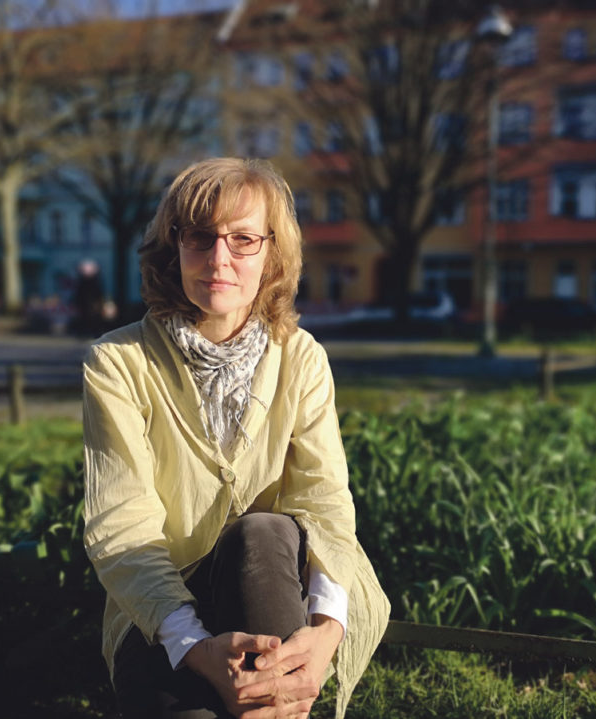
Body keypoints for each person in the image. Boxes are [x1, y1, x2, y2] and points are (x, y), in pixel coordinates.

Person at [82, 157, 389, 719]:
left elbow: (323, 505)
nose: (219, 259)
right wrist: (197, 649)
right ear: (173, 248)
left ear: (272, 252)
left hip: (271, 590)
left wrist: (322, 638)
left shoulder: (301, 358)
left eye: (243, 239)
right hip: (161, 617)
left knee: (264, 530)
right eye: (200, 238)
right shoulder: (118, 362)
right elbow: (121, 526)